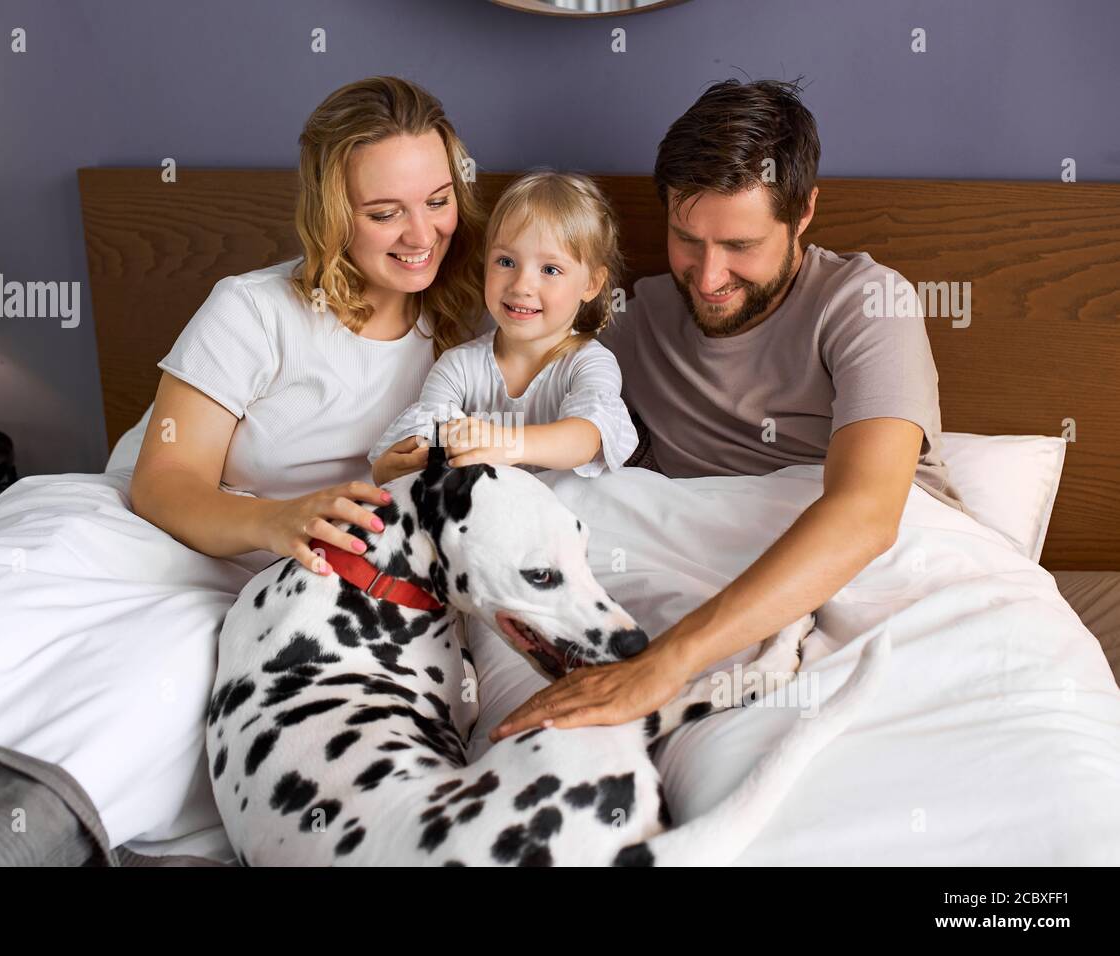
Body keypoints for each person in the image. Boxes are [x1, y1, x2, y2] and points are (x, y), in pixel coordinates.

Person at [485, 79, 963, 744]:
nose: (708, 278)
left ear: (803, 215)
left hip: (883, 579)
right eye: (687, 238)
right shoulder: (630, 322)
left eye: (740, 246)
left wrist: (665, 663)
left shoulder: (865, 304)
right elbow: (518, 417)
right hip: (698, 580)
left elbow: (868, 515)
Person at [129, 76, 485, 578]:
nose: (423, 235)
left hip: (376, 575)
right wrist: (276, 520)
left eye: (437, 201)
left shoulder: (480, 314)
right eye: (385, 213)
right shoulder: (252, 310)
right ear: (331, 216)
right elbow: (162, 482)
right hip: (230, 560)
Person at [368, 170, 637, 482]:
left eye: (550, 269)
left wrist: (506, 444)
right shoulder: (459, 366)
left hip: (567, 512)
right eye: (506, 262)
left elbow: (587, 437)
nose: (522, 285)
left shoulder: (588, 362)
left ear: (591, 283)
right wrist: (395, 467)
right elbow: (425, 438)